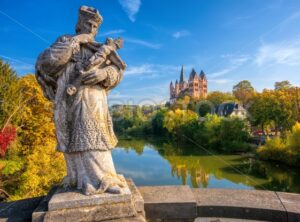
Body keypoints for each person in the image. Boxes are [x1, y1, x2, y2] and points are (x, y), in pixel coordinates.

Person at [35, 6, 126, 195]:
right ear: (79, 24)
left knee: (95, 137)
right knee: (76, 140)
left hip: (95, 100)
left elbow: (117, 71)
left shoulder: (100, 49)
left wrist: (103, 73)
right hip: (68, 100)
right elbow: (47, 63)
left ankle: (105, 179)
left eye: (95, 26)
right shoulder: (65, 42)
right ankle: (81, 180)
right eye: (89, 24)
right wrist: (75, 42)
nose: (92, 28)